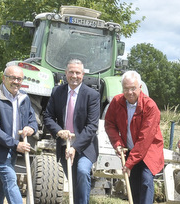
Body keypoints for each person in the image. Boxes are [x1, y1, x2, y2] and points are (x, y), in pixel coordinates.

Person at [43, 59, 100, 204]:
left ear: (83, 74)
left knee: (82, 171)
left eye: (78, 73)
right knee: (73, 179)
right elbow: (48, 116)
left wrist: (75, 147)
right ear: (65, 73)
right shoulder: (57, 92)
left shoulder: (92, 95)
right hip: (64, 145)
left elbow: (92, 126)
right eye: (71, 72)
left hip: (85, 146)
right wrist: (58, 131)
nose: (74, 76)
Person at [104, 70, 164, 204]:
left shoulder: (150, 106)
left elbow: (145, 139)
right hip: (130, 150)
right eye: (126, 89)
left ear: (140, 87)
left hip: (149, 151)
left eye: (133, 88)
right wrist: (118, 143)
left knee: (145, 181)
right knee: (133, 186)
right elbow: (109, 124)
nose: (130, 92)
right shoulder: (116, 101)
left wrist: (129, 163)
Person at [0, 65, 37, 204]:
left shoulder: (24, 97)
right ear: (4, 78)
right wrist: (16, 144)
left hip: (14, 149)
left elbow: (32, 119)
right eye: (12, 78)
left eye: (19, 79)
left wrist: (31, 128)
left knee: (0, 185)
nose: (16, 81)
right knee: (10, 179)